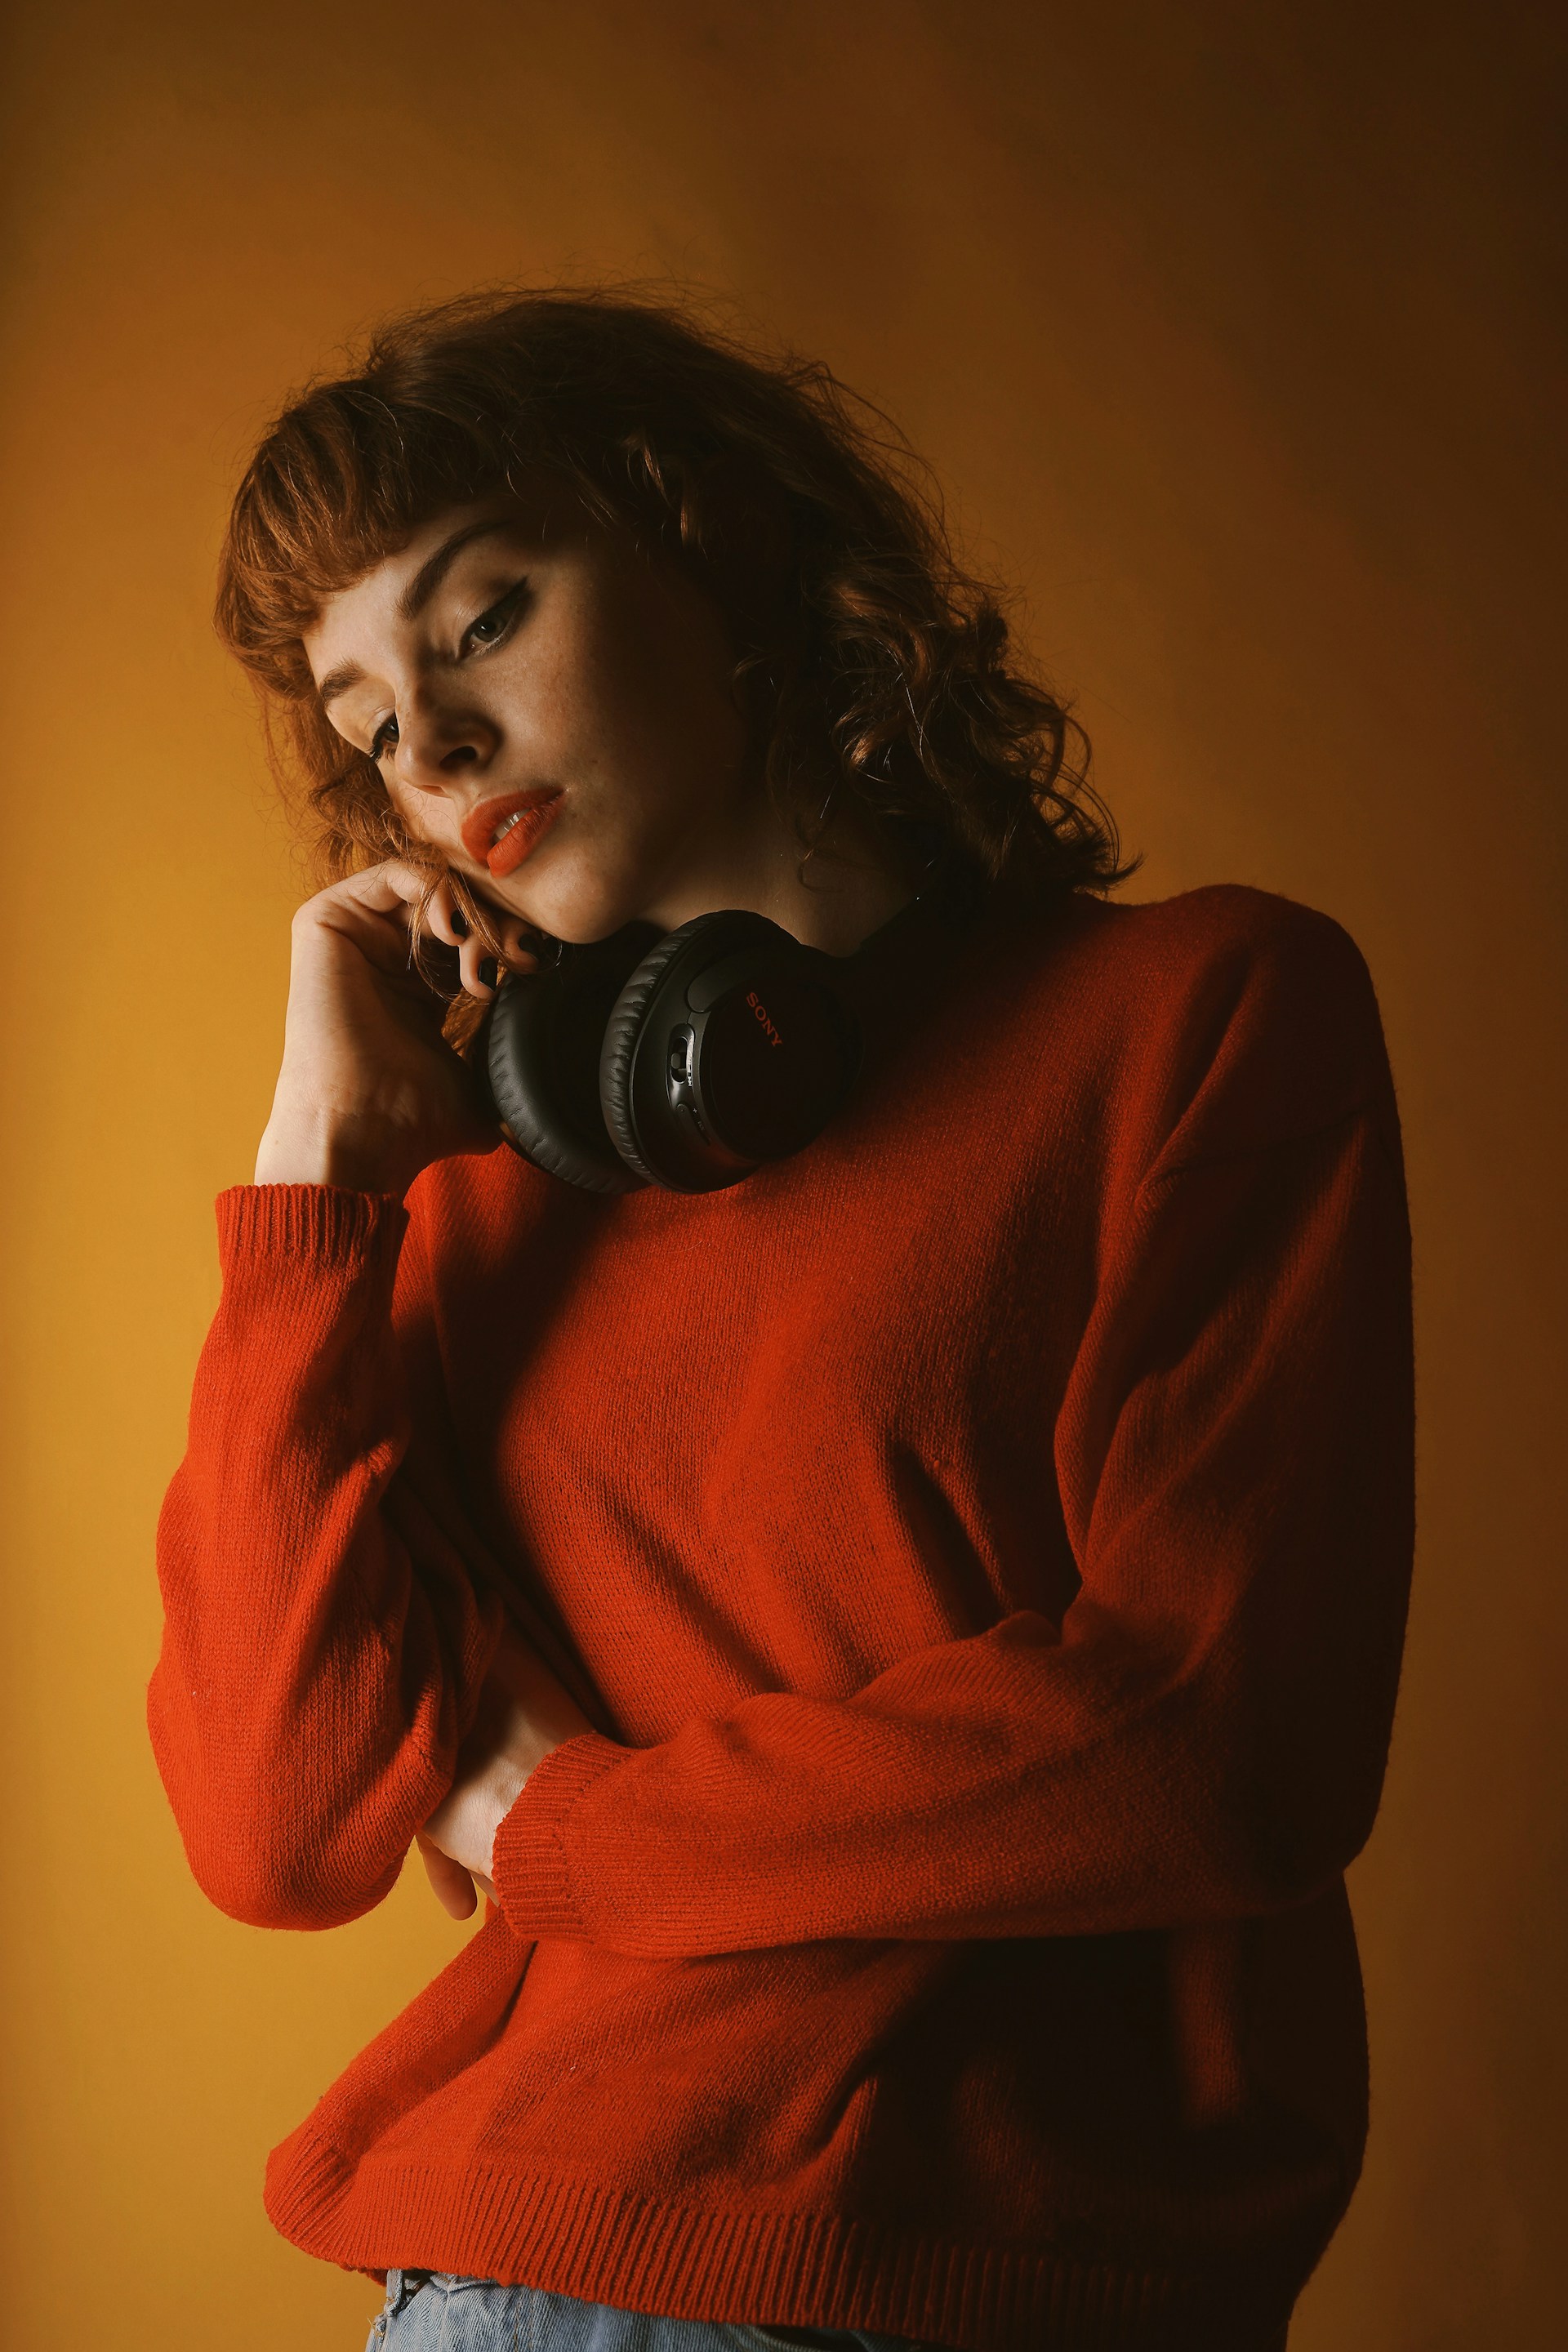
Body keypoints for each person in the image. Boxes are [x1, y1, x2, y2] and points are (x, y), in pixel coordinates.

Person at [149, 289, 1414, 2352]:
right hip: (504, 2271)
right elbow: (277, 1826)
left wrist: (568, 1834)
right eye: (368, 722)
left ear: (718, 544)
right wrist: (315, 1184)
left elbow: (1217, 1749)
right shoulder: (477, 1207)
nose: (432, 749)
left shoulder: (1193, 1021)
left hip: (993, 2273)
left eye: (482, 619)